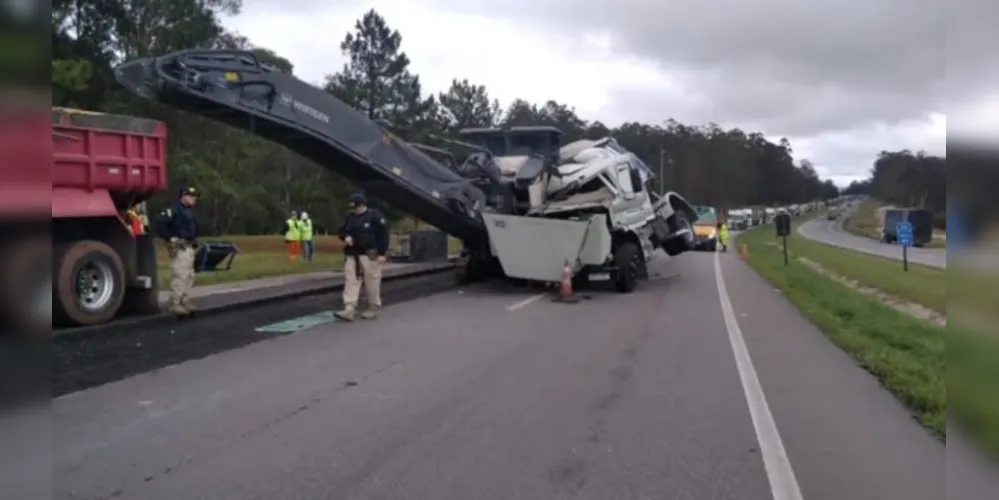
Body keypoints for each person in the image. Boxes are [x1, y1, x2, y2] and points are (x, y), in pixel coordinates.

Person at [334, 192, 389, 321]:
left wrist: (382, 253)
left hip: (370, 254)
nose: (354, 210)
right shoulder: (350, 217)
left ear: (362, 206)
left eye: (356, 208)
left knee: (372, 281)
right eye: (353, 208)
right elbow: (342, 231)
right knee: (351, 280)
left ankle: (373, 307)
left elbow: (383, 235)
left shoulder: (374, 217)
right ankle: (349, 308)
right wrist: (345, 237)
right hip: (352, 254)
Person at [154, 186, 199, 316]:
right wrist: (170, 239)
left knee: (189, 275)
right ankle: (175, 303)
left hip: (188, 246)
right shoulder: (173, 210)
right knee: (180, 275)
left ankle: (184, 300)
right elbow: (159, 224)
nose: (194, 199)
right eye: (191, 196)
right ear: (183, 196)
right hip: (179, 247)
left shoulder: (189, 211)